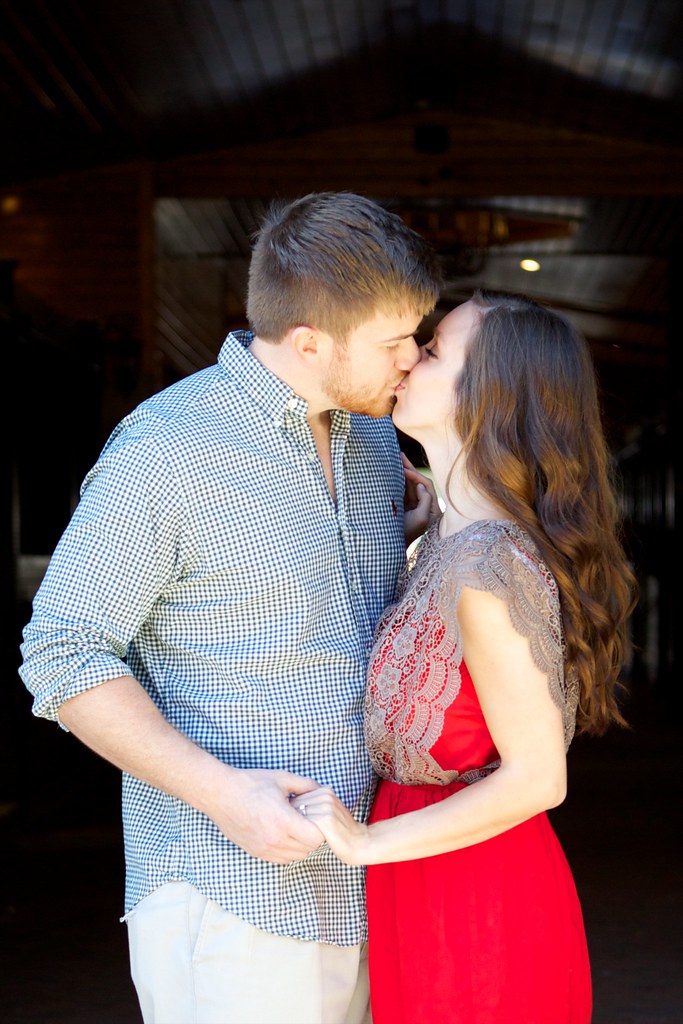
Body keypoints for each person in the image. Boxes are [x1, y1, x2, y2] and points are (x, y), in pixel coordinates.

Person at [19, 191, 443, 1024]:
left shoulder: (367, 438)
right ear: (309, 340)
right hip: (230, 890)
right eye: (395, 342)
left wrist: (412, 529)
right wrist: (221, 793)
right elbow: (63, 652)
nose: (412, 359)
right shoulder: (167, 450)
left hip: (366, 880)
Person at [293, 290, 637, 1024]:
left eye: (433, 350)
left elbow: (539, 779)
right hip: (426, 883)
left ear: (488, 395)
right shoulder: (451, 545)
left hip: (476, 900)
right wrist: (415, 535)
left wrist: (364, 842)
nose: (408, 359)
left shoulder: (488, 564)